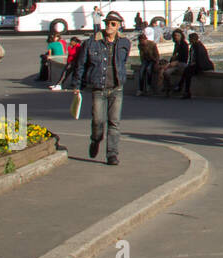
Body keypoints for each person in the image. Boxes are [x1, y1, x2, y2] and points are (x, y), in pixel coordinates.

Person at [68, 10, 130, 165]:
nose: (109, 26)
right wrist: (77, 85)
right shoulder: (91, 42)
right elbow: (80, 65)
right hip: (98, 88)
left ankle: (112, 154)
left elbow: (122, 62)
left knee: (114, 123)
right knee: (98, 121)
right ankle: (95, 140)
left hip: (116, 88)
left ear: (118, 27)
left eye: (113, 24)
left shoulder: (124, 43)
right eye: (107, 23)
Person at [176, 32, 214, 99]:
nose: (189, 40)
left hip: (202, 66)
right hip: (198, 65)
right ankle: (183, 89)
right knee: (187, 71)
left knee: (187, 71)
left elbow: (200, 59)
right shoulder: (194, 46)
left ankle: (183, 88)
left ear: (193, 39)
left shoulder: (198, 46)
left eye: (190, 39)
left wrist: (193, 65)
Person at [163, 29, 190, 96]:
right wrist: (170, 62)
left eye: (178, 35)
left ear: (181, 36)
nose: (176, 37)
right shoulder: (176, 44)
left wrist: (175, 62)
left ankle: (170, 87)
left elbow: (184, 57)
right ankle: (169, 86)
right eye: (175, 35)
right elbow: (174, 56)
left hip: (181, 63)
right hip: (175, 63)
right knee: (166, 72)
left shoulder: (184, 44)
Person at [136, 30, 160, 96]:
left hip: (153, 59)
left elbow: (157, 54)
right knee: (141, 72)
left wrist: (156, 62)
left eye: (142, 41)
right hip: (146, 60)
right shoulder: (140, 45)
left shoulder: (152, 44)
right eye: (140, 41)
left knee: (149, 69)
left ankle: (149, 85)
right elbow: (141, 55)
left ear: (145, 39)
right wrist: (142, 62)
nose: (142, 42)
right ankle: (140, 89)